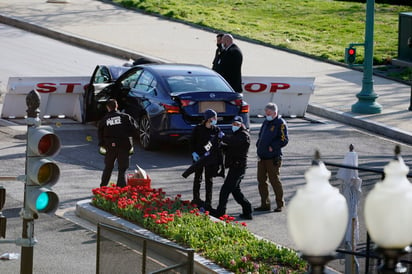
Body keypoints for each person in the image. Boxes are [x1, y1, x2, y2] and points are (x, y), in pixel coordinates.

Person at [212, 116, 253, 220]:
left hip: (238, 167)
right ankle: (248, 210)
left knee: (225, 190)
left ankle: (220, 212)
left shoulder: (244, 135)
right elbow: (231, 148)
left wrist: (223, 137)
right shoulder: (236, 134)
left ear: (241, 125)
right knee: (235, 191)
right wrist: (222, 146)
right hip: (235, 166)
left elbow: (234, 142)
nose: (235, 126)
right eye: (233, 124)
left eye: (237, 124)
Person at [255, 102, 289, 212]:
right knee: (261, 181)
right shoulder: (266, 122)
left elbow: (284, 140)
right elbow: (261, 136)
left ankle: (280, 203)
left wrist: (273, 146)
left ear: (275, 112)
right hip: (262, 157)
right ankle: (265, 204)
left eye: (269, 113)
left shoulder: (280, 123)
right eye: (266, 112)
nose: (267, 115)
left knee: (274, 180)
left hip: (272, 157)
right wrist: (259, 145)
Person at [98, 99, 138, 187]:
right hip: (124, 145)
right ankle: (121, 188)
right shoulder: (125, 117)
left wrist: (103, 145)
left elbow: (100, 134)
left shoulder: (104, 120)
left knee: (108, 167)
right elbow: (135, 129)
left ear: (108, 107)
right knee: (122, 168)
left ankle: (103, 187)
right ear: (117, 106)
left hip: (110, 146)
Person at [188, 109, 224, 207]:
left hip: (210, 159)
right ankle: (196, 198)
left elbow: (219, 143)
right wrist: (193, 152)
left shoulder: (216, 129)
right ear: (208, 119)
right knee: (198, 178)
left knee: (209, 179)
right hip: (199, 157)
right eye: (213, 117)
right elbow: (191, 141)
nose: (215, 119)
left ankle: (208, 201)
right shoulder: (198, 129)